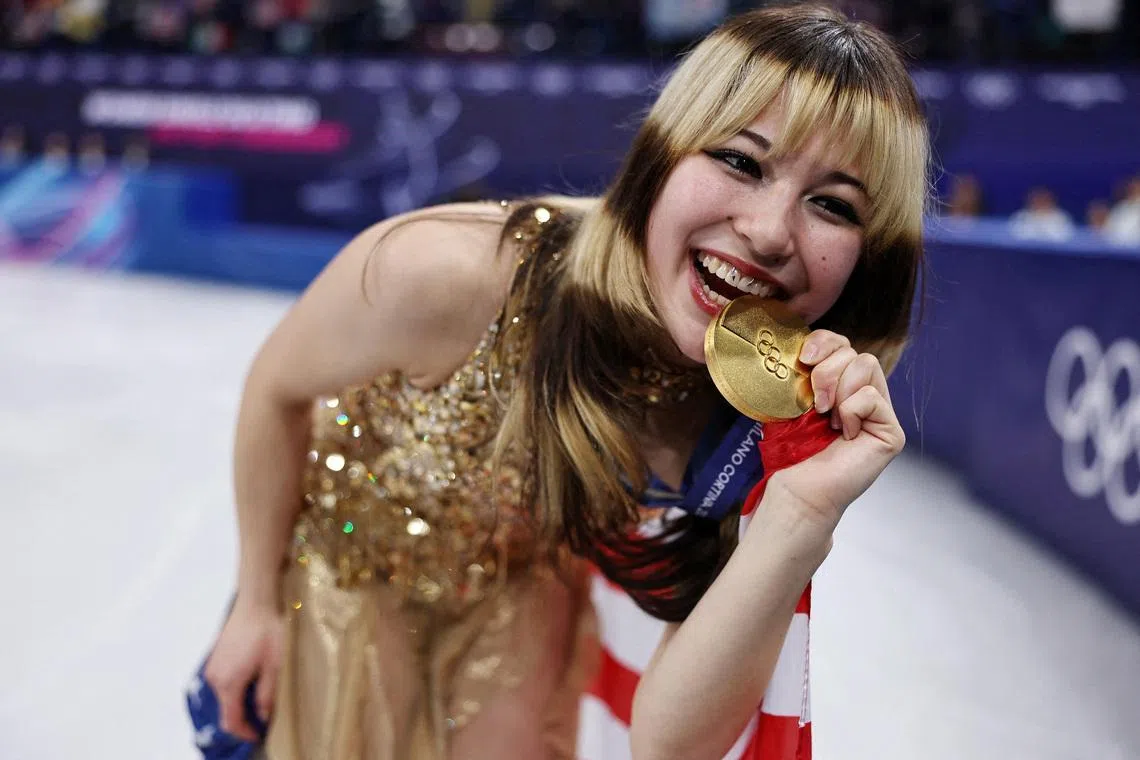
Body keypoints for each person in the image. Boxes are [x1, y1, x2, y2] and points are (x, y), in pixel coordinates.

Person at [191, 4, 929, 759]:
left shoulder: (767, 412)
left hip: (524, 620)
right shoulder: (447, 274)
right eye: (741, 161)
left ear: (871, 260)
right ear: (660, 158)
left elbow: (670, 747)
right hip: (346, 592)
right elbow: (275, 388)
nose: (769, 232)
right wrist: (255, 603)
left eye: (832, 205)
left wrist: (797, 518)